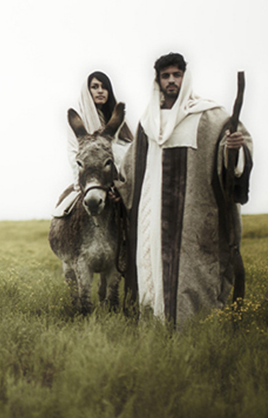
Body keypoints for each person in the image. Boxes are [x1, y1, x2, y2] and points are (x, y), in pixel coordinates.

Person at [117, 52, 253, 326]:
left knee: (193, 274)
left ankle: (193, 330)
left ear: (184, 77)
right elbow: (130, 170)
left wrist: (234, 150)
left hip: (193, 215)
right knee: (150, 266)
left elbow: (232, 161)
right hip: (150, 214)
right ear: (157, 81)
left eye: (176, 75)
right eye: (165, 76)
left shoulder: (210, 117)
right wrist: (117, 191)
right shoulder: (147, 123)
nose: (171, 81)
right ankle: (154, 327)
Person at [53, 71, 133, 217]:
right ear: (87, 91)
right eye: (95, 87)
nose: (100, 91)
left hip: (117, 179)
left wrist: (121, 186)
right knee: (62, 214)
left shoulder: (119, 124)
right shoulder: (80, 120)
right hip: (89, 176)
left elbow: (129, 153)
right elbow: (73, 153)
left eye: (104, 87)